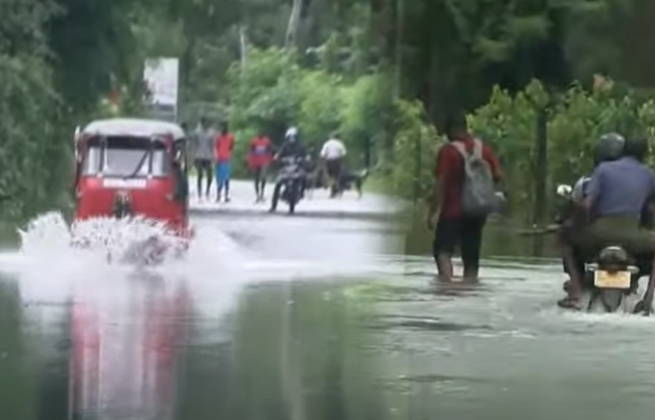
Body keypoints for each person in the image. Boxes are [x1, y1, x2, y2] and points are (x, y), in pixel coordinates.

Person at [559, 136, 655, 311]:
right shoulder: (648, 174)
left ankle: (577, 294)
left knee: (566, 241)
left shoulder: (603, 170)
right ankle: (648, 300)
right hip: (633, 235)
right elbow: (650, 209)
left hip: (600, 233)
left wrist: (574, 225)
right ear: (645, 154)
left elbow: (586, 204)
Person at [428, 113, 503, 283]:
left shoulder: (448, 151)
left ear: (451, 130)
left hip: (452, 211)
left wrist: (433, 211)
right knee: (471, 255)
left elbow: (440, 183)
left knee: (443, 251)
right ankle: (470, 289)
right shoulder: (483, 149)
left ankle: (446, 287)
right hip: (477, 212)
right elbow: (498, 175)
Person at [269, 127, 310, 212]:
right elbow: (278, 155)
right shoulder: (284, 147)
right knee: (278, 184)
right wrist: (277, 158)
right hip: (285, 169)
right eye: (290, 137)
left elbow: (307, 155)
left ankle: (301, 192)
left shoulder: (300, 147)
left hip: (297, 168)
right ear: (287, 137)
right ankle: (273, 205)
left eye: (293, 137)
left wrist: (305, 159)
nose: (292, 139)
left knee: (304, 178)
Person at [190, 117, 215, 200]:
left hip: (208, 156)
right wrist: (192, 157)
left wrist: (213, 156)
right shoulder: (197, 132)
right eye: (204, 123)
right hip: (199, 156)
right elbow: (194, 145)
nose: (205, 125)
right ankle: (199, 193)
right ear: (201, 123)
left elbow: (212, 145)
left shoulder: (211, 133)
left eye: (207, 123)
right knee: (200, 175)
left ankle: (207, 191)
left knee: (209, 176)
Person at [247, 131, 274, 202]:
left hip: (264, 162)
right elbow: (251, 150)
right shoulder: (254, 141)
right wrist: (250, 160)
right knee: (256, 178)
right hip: (255, 162)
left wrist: (269, 159)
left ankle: (262, 193)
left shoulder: (267, 141)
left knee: (263, 177)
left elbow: (270, 150)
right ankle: (257, 194)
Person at [320, 132, 347, 197]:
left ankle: (333, 189)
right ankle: (337, 187)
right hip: (337, 160)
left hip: (329, 160)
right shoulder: (339, 143)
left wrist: (324, 158)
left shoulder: (327, 144)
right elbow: (344, 153)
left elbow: (322, 154)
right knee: (337, 175)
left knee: (330, 175)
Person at [214, 123, 235, 202]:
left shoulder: (228, 137)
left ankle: (222, 195)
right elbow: (231, 147)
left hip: (224, 159)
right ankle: (221, 195)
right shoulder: (221, 137)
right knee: (223, 178)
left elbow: (217, 147)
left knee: (223, 178)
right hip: (222, 159)